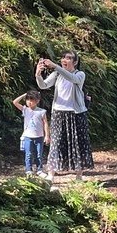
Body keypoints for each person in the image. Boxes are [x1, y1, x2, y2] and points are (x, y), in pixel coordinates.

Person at [35, 51, 94, 181]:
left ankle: (79, 175)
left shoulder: (80, 74)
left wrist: (55, 66)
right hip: (58, 112)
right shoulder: (57, 74)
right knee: (56, 143)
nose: (65, 60)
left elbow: (72, 78)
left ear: (75, 62)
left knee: (78, 143)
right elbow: (43, 85)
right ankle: (51, 174)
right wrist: (38, 74)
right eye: (63, 58)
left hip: (76, 113)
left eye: (69, 58)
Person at [12, 88, 49, 175]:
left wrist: (47, 136)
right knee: (28, 154)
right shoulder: (25, 109)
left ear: (37, 101)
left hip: (39, 136)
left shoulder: (41, 111)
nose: (29, 102)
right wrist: (25, 94)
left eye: (32, 100)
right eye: (28, 100)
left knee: (38, 154)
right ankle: (28, 170)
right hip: (28, 136)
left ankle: (39, 170)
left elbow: (45, 124)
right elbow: (15, 102)